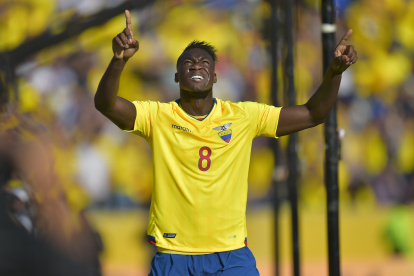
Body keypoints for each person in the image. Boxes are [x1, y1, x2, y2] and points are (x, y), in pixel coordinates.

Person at [95, 10, 358, 276]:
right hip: (174, 256)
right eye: (188, 63)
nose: (196, 66)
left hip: (230, 256)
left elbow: (314, 113)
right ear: (175, 76)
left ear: (216, 77)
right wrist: (118, 60)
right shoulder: (157, 116)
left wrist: (335, 73)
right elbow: (105, 105)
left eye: (204, 63)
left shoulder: (243, 116)